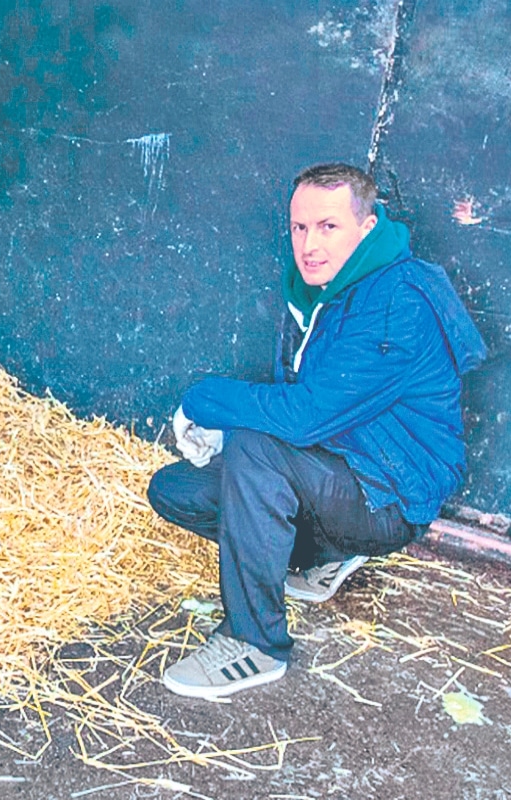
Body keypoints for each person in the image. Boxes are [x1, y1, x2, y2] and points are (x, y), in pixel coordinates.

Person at [146, 163, 487, 700]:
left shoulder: (397, 302)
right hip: (342, 465)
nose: (309, 244)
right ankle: (326, 553)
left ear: (366, 227)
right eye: (299, 228)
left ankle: (254, 644)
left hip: (388, 495)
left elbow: (305, 414)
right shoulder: (325, 288)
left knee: (254, 447)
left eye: (328, 227)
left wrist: (205, 402)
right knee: (175, 490)